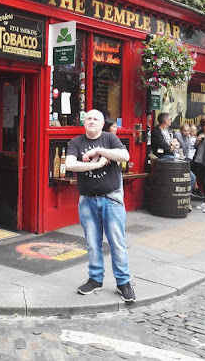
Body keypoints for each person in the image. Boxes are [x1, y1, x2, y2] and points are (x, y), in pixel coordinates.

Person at [65, 109, 135, 303]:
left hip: (111, 199)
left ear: (102, 124)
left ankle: (123, 282)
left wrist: (98, 151)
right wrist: (96, 165)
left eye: (96, 119)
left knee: (117, 242)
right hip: (87, 200)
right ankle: (96, 279)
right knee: (92, 243)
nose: (92, 121)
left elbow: (124, 156)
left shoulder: (110, 139)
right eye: (88, 118)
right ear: (84, 123)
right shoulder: (76, 142)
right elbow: (70, 164)